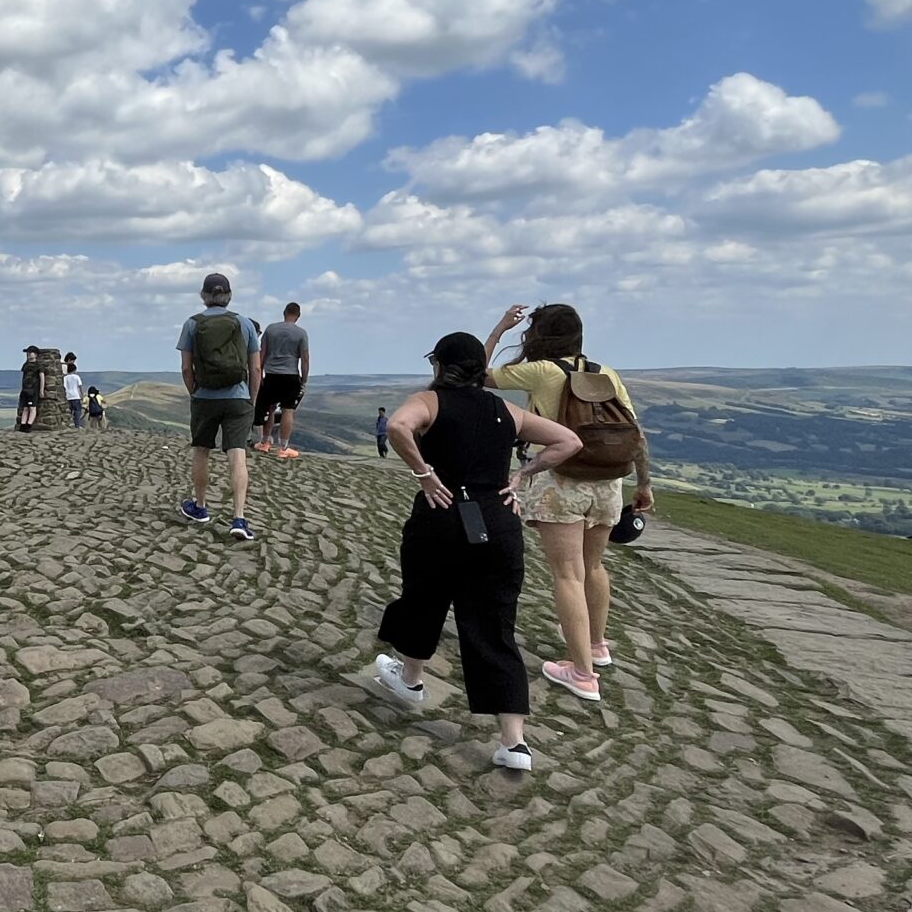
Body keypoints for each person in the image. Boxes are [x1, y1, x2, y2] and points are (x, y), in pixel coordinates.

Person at [361, 332, 583, 774]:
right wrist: (524, 474)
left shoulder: (430, 402)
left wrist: (424, 473)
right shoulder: (506, 410)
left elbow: (398, 426)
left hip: (441, 516)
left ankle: (410, 681)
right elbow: (568, 442)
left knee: (424, 599)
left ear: (440, 365)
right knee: (495, 624)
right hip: (498, 522)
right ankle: (514, 743)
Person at [483, 303, 652, 707]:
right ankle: (595, 646)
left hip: (561, 479)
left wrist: (500, 329)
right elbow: (636, 433)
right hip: (608, 481)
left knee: (567, 575)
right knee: (593, 567)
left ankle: (581, 675)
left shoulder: (542, 371)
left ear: (539, 335)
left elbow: (477, 374)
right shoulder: (604, 372)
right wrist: (644, 483)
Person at [177, 270, 263, 541]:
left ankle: (200, 507)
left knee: (202, 451)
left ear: (204, 296)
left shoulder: (192, 323)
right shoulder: (245, 324)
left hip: (204, 397)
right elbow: (256, 367)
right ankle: (239, 518)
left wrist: (195, 393)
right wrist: (252, 398)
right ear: (228, 296)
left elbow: (186, 369)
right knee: (237, 455)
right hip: (238, 397)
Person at [252, 302, 311, 458]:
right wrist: (303, 380)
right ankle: (283, 448)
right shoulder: (301, 333)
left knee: (269, 408)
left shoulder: (271, 329)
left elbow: (262, 353)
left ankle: (265, 442)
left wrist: (261, 372)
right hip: (291, 375)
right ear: (298, 316)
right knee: (287, 410)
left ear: (284, 313)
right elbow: (304, 359)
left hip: (271, 374)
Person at [17, 346, 43, 431]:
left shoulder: (38, 365)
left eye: (29, 352)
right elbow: (24, 377)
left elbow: (42, 377)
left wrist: (41, 390)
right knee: (25, 408)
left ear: (35, 354)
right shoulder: (26, 365)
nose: (28, 354)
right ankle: (23, 425)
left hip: (33, 390)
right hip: (25, 390)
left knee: (32, 408)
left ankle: (29, 425)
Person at [63, 352, 85, 430]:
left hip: (68, 396)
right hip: (76, 396)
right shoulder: (76, 377)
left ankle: (68, 424)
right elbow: (80, 386)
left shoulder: (65, 377)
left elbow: (64, 387)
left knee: (69, 412)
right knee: (77, 411)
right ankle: (77, 425)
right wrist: (82, 395)